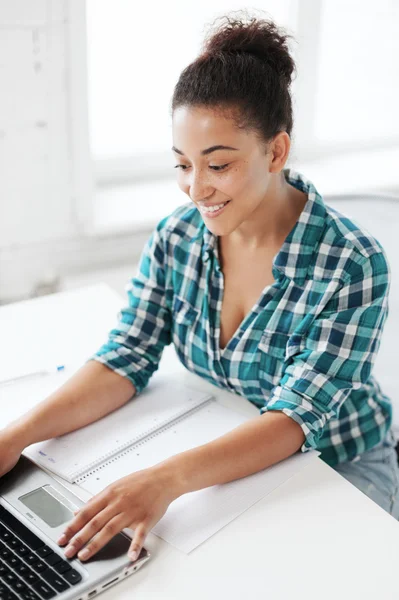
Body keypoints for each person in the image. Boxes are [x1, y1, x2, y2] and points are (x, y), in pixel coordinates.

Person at [1, 12, 399, 564]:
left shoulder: (352, 264)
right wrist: (12, 437)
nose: (196, 189)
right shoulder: (178, 237)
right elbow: (126, 355)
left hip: (340, 465)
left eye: (218, 164)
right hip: (230, 452)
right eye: (183, 164)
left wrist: (165, 480)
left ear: (276, 152)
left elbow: (293, 419)